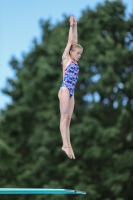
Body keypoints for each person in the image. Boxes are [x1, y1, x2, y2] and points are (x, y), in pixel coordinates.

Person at [58, 15, 83, 159]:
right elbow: (70, 41)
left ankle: (68, 144)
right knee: (64, 117)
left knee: (68, 119)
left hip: (71, 92)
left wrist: (76, 26)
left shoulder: (74, 59)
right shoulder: (66, 59)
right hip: (65, 89)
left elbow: (75, 42)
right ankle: (65, 144)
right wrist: (71, 26)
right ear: (71, 53)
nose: (79, 55)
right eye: (78, 53)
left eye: (80, 53)